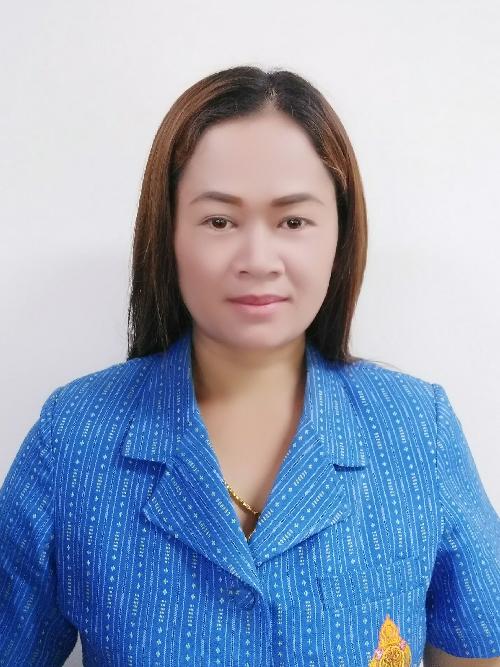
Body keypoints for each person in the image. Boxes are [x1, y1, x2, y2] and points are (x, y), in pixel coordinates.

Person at [0, 65, 499, 667]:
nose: (258, 260)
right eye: (219, 221)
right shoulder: (75, 436)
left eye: (293, 221)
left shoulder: (418, 430)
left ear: (339, 235)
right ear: (168, 234)